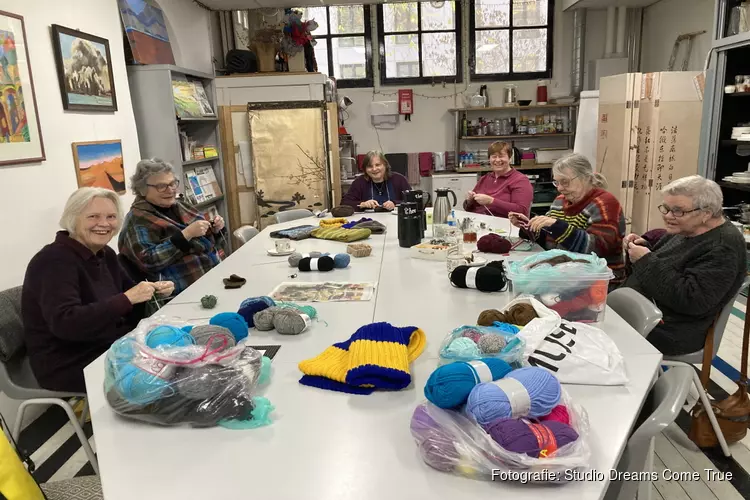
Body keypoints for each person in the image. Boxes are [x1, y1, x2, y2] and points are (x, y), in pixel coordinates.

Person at [22, 188, 175, 392]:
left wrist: (153, 291)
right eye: (93, 216)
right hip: (71, 362)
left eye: (111, 217)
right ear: (73, 218)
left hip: (108, 345)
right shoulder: (53, 261)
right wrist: (128, 299)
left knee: (178, 352)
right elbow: (66, 323)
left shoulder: (105, 254)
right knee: (170, 377)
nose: (104, 224)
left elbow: (130, 300)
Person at [623, 176, 747, 356]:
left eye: (677, 211)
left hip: (672, 330)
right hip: (648, 311)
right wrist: (644, 249)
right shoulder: (689, 228)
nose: (667, 216)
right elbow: (671, 264)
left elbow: (691, 301)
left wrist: (645, 260)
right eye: (666, 208)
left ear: (707, 212)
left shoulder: (723, 247)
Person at [508, 153, 626, 286]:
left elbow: (598, 249)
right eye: (556, 182)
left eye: (565, 182)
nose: (559, 188)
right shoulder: (560, 201)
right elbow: (548, 241)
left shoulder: (605, 203)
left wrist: (557, 226)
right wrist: (528, 225)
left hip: (597, 282)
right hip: (564, 275)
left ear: (585, 178)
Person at [119, 158, 225, 296]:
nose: (170, 190)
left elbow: (211, 242)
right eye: (161, 186)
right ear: (142, 189)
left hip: (212, 278)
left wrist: (216, 229)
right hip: (181, 293)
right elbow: (148, 262)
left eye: (173, 183)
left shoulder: (180, 205)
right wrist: (185, 235)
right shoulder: (137, 220)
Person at [463, 141, 533, 218]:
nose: (497, 160)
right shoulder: (485, 179)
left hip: (506, 227)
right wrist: (469, 201)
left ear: (509, 158)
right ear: (489, 159)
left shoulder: (520, 180)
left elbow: (521, 211)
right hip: (480, 224)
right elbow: (468, 209)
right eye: (494, 156)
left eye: (501, 156)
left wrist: (491, 201)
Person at [340, 151, 411, 211]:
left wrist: (395, 203)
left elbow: (413, 201)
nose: (374, 169)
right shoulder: (359, 182)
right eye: (370, 166)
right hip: (367, 222)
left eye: (378, 165)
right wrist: (363, 204)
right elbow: (344, 204)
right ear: (365, 169)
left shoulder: (399, 179)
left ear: (385, 165)